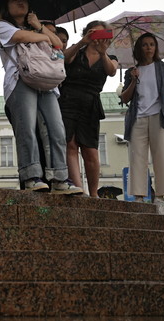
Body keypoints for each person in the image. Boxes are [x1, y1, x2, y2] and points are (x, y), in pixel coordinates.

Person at [0, 0, 82, 194]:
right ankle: (31, 176)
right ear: (6, 6)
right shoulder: (2, 26)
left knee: (57, 129)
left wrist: (39, 26)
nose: (20, 2)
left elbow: (58, 44)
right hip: (20, 79)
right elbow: (21, 37)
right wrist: (43, 35)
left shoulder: (36, 25)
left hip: (47, 82)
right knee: (27, 129)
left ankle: (59, 178)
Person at [119, 32, 164, 203]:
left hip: (159, 116)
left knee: (162, 155)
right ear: (139, 48)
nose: (149, 48)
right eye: (145, 45)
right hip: (138, 117)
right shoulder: (132, 71)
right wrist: (133, 80)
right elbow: (124, 98)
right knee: (137, 157)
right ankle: (139, 196)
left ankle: (160, 196)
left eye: (152, 44)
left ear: (156, 47)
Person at [60, 21, 117, 197]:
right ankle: (79, 189)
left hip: (90, 103)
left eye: (102, 35)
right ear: (87, 33)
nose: (98, 38)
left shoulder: (109, 56)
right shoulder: (77, 51)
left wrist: (103, 53)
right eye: (94, 34)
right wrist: (82, 43)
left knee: (90, 149)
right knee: (70, 144)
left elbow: (112, 71)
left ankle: (93, 194)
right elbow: (64, 58)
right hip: (68, 99)